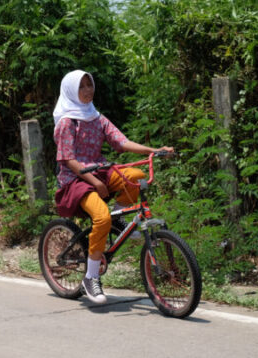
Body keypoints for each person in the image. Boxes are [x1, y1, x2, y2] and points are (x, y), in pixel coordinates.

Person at [53, 70, 174, 304]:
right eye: (82, 87)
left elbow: (121, 141)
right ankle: (90, 278)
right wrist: (95, 183)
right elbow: (68, 159)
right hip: (75, 180)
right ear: (70, 91)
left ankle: (119, 221)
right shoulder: (68, 121)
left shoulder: (95, 116)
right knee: (101, 218)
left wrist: (153, 150)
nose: (88, 90)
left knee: (136, 175)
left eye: (90, 85)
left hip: (99, 171)